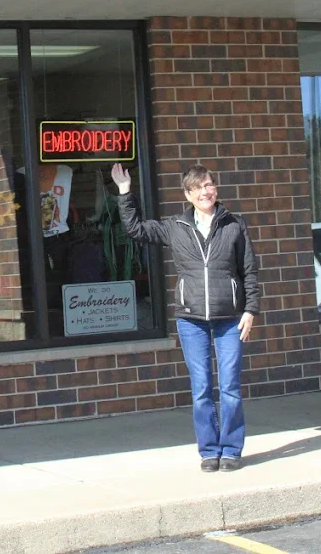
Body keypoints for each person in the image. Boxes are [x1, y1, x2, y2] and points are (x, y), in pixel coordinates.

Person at [111, 162, 258, 473]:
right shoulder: (175, 226)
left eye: (210, 185)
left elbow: (249, 271)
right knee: (202, 387)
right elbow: (135, 229)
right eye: (200, 187)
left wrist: (250, 309)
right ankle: (208, 451)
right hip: (190, 319)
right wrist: (125, 192)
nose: (207, 191)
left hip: (230, 317)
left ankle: (231, 448)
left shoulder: (234, 224)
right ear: (189, 194)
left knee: (230, 386)